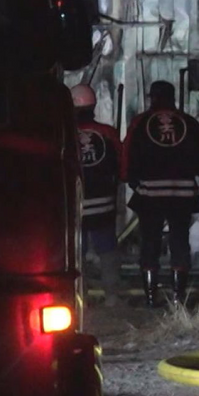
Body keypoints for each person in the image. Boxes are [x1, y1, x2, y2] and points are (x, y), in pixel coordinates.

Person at [124, 80, 199, 308]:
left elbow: (127, 154)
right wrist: (194, 172)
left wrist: (132, 180)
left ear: (152, 97)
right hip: (182, 193)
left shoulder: (140, 123)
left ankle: (151, 298)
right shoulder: (189, 123)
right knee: (180, 241)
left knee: (149, 243)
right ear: (173, 98)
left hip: (150, 194)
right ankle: (177, 297)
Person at [71, 84, 124, 307]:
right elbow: (122, 167)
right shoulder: (108, 133)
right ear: (94, 106)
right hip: (104, 205)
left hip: (75, 205)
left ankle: (78, 299)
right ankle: (112, 296)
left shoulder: (65, 133)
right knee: (107, 251)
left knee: (75, 255)